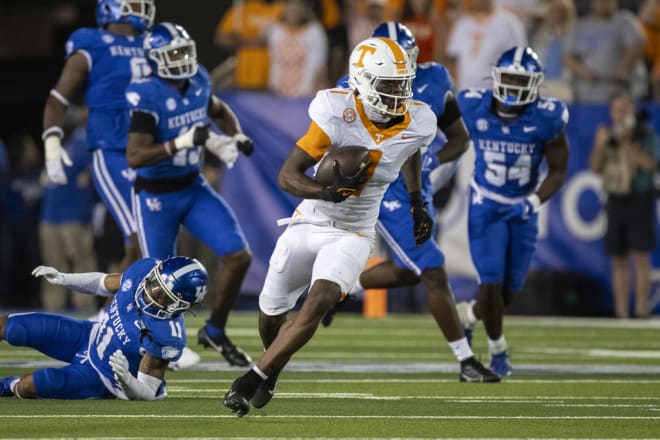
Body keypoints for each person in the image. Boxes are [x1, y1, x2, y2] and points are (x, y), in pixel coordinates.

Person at [223, 36, 437, 417]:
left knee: (318, 301)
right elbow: (287, 176)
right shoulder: (336, 110)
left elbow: (411, 148)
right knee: (270, 313)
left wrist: (418, 201)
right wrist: (328, 192)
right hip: (311, 220)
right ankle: (273, 367)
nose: (398, 94)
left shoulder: (420, 120)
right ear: (362, 80)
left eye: (403, 84)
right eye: (389, 85)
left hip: (355, 232)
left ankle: (253, 376)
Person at [329, 22, 499, 383]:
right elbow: (334, 144)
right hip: (381, 186)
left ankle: (341, 288)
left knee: (412, 270)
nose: (400, 71)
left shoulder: (434, 80)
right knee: (433, 267)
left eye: (406, 59)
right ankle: (466, 360)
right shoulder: (351, 89)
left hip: (415, 185)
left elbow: (458, 138)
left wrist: (432, 160)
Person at [125, 22, 255, 367]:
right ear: (155, 60)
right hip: (155, 196)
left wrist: (236, 135)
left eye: (184, 51)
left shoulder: (198, 78)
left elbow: (217, 110)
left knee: (239, 256)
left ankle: (214, 330)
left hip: (192, 186)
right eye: (173, 54)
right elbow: (135, 157)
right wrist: (179, 142)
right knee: (158, 280)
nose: (182, 59)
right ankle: (150, 348)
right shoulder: (146, 94)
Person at [455, 46, 569, 377]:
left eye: (522, 80)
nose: (515, 88)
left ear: (535, 84)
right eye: (510, 79)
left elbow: (559, 171)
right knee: (490, 282)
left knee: (508, 294)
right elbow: (440, 125)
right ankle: (498, 350)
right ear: (496, 78)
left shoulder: (547, 117)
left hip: (523, 207)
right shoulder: (472, 105)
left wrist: (533, 202)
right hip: (485, 204)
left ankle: (469, 315)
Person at [42, 0, 155, 273]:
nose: (143, 7)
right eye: (135, 3)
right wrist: (52, 146)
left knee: (145, 242)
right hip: (112, 148)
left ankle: (109, 312)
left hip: (151, 150)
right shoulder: (92, 42)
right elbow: (58, 98)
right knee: (145, 239)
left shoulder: (155, 42)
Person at [0, 256, 208, 399]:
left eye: (162, 296)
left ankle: (7, 385)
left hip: (104, 377)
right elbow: (103, 282)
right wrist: (63, 278)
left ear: (179, 306)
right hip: (89, 335)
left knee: (31, 385)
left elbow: (149, 392)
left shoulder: (167, 335)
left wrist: (126, 379)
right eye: (154, 283)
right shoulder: (143, 271)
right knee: (11, 327)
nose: (150, 292)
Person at [589, 92, 659, 319]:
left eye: (625, 108)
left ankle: (641, 308)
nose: (621, 113)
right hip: (615, 198)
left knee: (640, 255)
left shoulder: (644, 133)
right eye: (617, 109)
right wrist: (600, 145)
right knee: (617, 257)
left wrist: (628, 143)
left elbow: (652, 165)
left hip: (639, 196)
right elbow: (595, 168)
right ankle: (621, 311)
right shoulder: (606, 133)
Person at [39, 106, 98, 312]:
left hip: (75, 216)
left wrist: (90, 176)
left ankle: (85, 310)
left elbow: (97, 166)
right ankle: (52, 310)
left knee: (81, 266)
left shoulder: (82, 140)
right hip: (50, 216)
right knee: (51, 267)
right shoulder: (52, 144)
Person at [563, 0, 647, 103]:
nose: (603, 3)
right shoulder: (581, 25)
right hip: (586, 92)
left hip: (618, 91)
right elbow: (567, 57)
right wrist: (582, 70)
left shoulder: (625, 20)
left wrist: (623, 68)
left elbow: (638, 45)